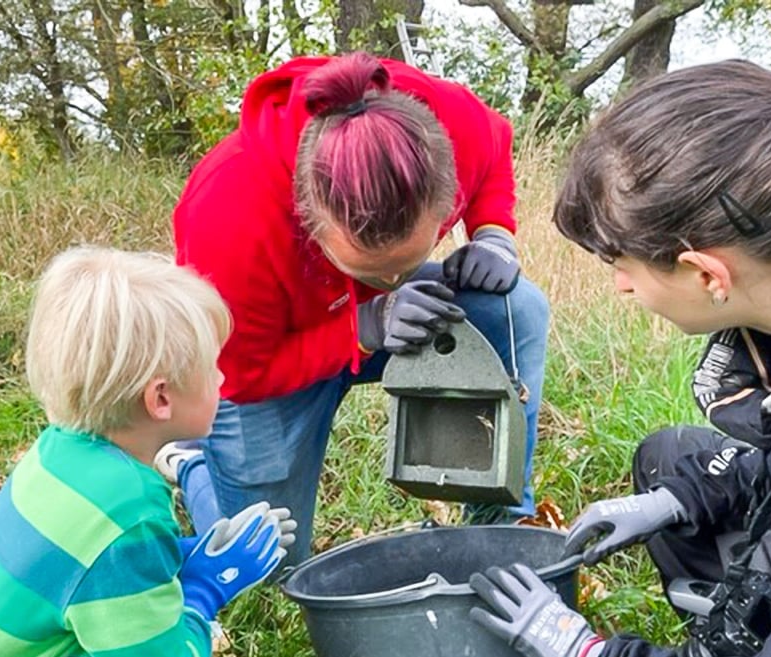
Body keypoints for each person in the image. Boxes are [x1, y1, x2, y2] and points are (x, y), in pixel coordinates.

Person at [468, 61, 771, 657]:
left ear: (706, 273)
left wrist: (589, 651)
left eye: (621, 264)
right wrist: (673, 499)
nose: (621, 288)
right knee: (672, 460)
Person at [158, 50, 550, 563]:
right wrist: (364, 327)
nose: (393, 280)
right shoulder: (229, 214)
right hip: (274, 353)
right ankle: (192, 465)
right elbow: (242, 374)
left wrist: (495, 236)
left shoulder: (448, 122)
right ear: (307, 218)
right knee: (266, 565)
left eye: (408, 262)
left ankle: (499, 520)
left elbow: (496, 146)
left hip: (391, 321)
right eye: (372, 270)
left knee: (514, 305)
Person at [0, 247, 295, 657]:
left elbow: (78, 562)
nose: (222, 376)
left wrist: (180, 555)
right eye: (212, 366)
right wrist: (209, 586)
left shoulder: (58, 453)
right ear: (160, 398)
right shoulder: (128, 515)